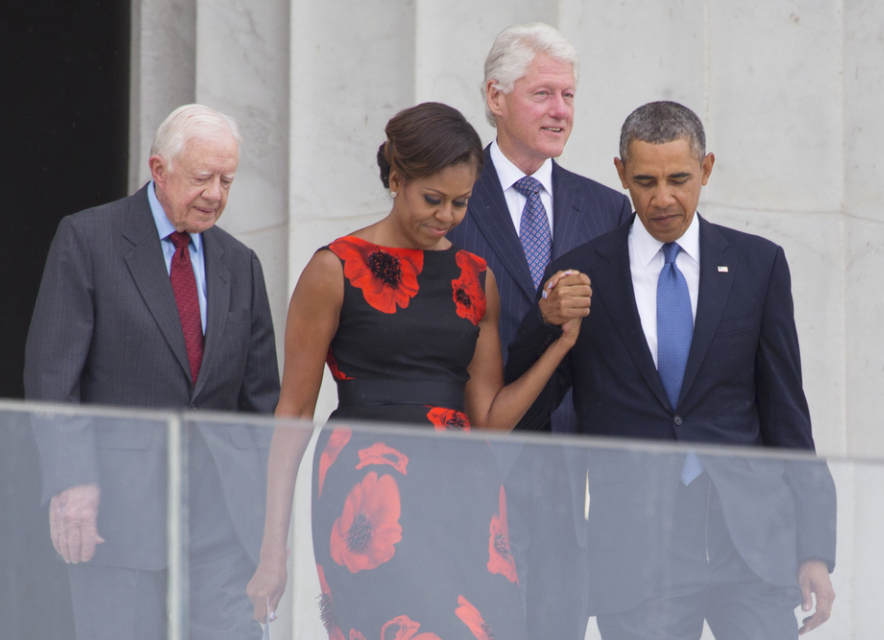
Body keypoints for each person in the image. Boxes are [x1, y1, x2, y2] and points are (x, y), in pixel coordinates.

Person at [245, 102, 579, 640]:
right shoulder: (333, 269)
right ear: (396, 179)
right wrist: (271, 550)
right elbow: (293, 413)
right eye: (433, 199)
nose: (446, 216)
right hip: (369, 491)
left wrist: (560, 345)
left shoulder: (476, 278)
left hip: (464, 490)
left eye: (461, 203)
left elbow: (490, 420)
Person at [505, 101, 837, 639]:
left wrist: (814, 548)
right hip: (637, 553)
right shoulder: (582, 271)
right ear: (620, 175)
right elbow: (530, 406)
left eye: (680, 179)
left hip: (749, 545)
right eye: (645, 181)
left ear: (706, 169)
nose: (663, 199)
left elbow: (787, 412)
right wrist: (543, 324)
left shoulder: (759, 264)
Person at [24, 104, 280, 639]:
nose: (216, 194)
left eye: (227, 180)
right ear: (159, 170)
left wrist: (268, 527)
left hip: (221, 518)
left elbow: (262, 404)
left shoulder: (241, 264)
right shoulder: (89, 239)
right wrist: (72, 482)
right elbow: (53, 378)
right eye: (203, 178)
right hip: (117, 509)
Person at [446, 22, 631, 638]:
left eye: (569, 96)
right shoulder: (452, 200)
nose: (561, 112)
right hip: (472, 461)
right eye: (543, 94)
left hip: (572, 471)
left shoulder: (607, 208)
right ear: (496, 98)